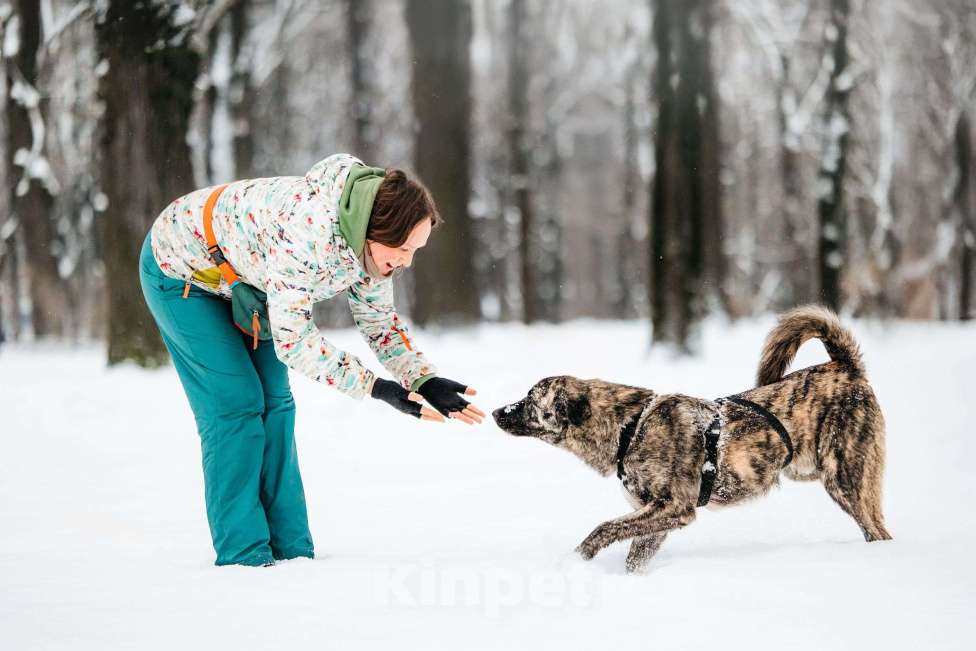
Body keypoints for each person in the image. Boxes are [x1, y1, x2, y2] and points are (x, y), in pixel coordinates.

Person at [138, 153, 484, 567]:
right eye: (404, 248)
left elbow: (378, 323)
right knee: (236, 404)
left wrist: (422, 379)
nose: (407, 261)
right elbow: (295, 342)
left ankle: (293, 553)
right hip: (182, 269)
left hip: (246, 277)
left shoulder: (370, 247)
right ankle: (243, 557)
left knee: (276, 404)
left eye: (416, 251)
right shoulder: (308, 231)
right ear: (377, 230)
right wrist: (376, 387)